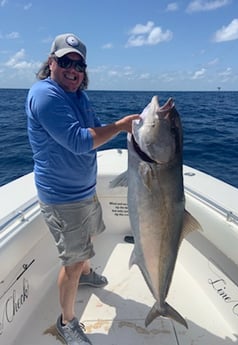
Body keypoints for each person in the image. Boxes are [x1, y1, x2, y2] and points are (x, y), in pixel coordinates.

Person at [26, 33, 139, 345]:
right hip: (63, 198)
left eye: (79, 65)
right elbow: (80, 141)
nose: (73, 70)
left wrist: (128, 131)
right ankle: (66, 322)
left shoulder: (78, 97)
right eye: (65, 62)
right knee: (73, 260)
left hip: (85, 190)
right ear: (51, 62)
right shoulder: (46, 96)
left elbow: (95, 127)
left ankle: (87, 275)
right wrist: (119, 127)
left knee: (90, 237)